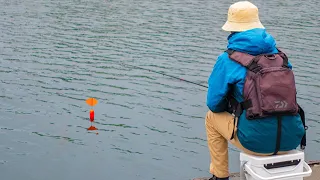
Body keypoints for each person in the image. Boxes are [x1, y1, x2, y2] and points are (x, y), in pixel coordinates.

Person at [205, 1, 306, 180]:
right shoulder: (281, 58)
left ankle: (220, 176)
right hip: (292, 137)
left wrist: (234, 104)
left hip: (255, 142)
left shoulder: (227, 59)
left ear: (232, 29)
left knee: (211, 119)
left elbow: (214, 105)